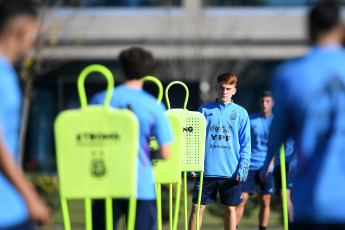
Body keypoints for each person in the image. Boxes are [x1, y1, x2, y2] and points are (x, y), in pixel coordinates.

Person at [261, 1, 345, 229]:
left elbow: (276, 137)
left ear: (308, 30)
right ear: (340, 28)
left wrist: (265, 166)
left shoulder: (289, 75)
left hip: (311, 201)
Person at [91, 47, 174, 230]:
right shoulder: (154, 106)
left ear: (121, 68)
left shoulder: (100, 99)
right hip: (141, 185)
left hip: (105, 183)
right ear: (147, 72)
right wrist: (148, 153)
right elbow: (166, 153)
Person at [0, 0, 51, 229]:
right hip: (8, 210)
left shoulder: (8, 72)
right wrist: (29, 194)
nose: (35, 41)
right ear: (24, 30)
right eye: (35, 33)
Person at [188, 72, 251, 230]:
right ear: (216, 88)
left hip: (230, 171)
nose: (224, 91)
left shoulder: (241, 113)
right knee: (197, 208)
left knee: (230, 209)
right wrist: (193, 164)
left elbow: (246, 144)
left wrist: (243, 168)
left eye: (228, 88)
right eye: (222, 88)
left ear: (234, 91)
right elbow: (196, 140)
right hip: (206, 171)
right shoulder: (204, 110)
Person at [236, 91, 275, 230]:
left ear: (272, 103)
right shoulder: (251, 120)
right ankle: (233, 227)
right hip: (250, 165)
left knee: (265, 200)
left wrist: (269, 165)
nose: (264, 104)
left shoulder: (276, 121)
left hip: (267, 166)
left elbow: (278, 146)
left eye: (267, 101)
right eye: (262, 101)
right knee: (241, 199)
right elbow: (242, 141)